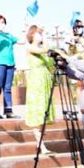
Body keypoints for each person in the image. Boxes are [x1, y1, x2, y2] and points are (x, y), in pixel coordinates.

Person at [24, 25, 55, 155]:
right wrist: (46, 36)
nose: (40, 36)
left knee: (44, 112)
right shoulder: (30, 47)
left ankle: (40, 142)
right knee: (38, 111)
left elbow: (50, 62)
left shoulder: (42, 50)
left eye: (40, 34)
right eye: (38, 33)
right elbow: (45, 50)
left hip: (45, 79)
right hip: (36, 81)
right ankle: (41, 145)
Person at [0, 15, 26, 119]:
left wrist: (24, 30)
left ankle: (8, 111)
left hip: (10, 64)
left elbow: (22, 41)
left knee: (7, 88)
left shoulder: (9, 36)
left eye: (3, 22)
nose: (2, 24)